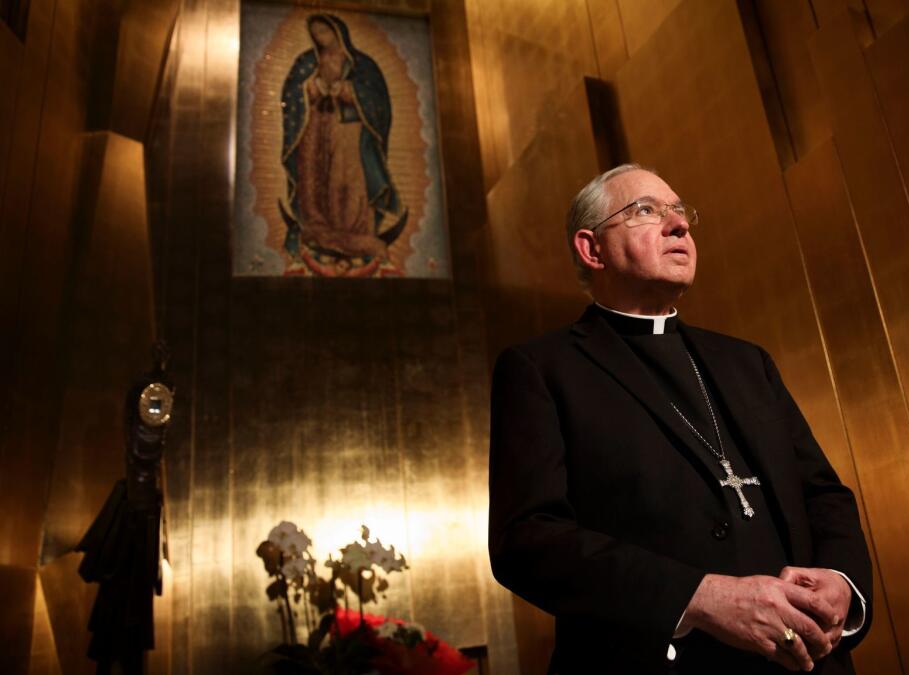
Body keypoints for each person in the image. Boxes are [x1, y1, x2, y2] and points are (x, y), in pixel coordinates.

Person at [489, 164, 872, 674]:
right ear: (591, 248)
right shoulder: (543, 369)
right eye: (646, 210)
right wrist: (698, 598)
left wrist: (841, 583)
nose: (679, 226)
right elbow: (527, 540)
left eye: (680, 212)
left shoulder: (746, 362)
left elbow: (823, 495)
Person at [279, 14, 407, 274]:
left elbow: (379, 101)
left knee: (346, 180)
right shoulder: (306, 62)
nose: (320, 38)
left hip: (349, 130)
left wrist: (349, 91)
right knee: (313, 177)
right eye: (315, 33)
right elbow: (290, 94)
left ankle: (353, 233)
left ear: (339, 32)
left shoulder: (362, 65)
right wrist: (310, 89)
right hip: (313, 128)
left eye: (324, 31)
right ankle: (316, 227)